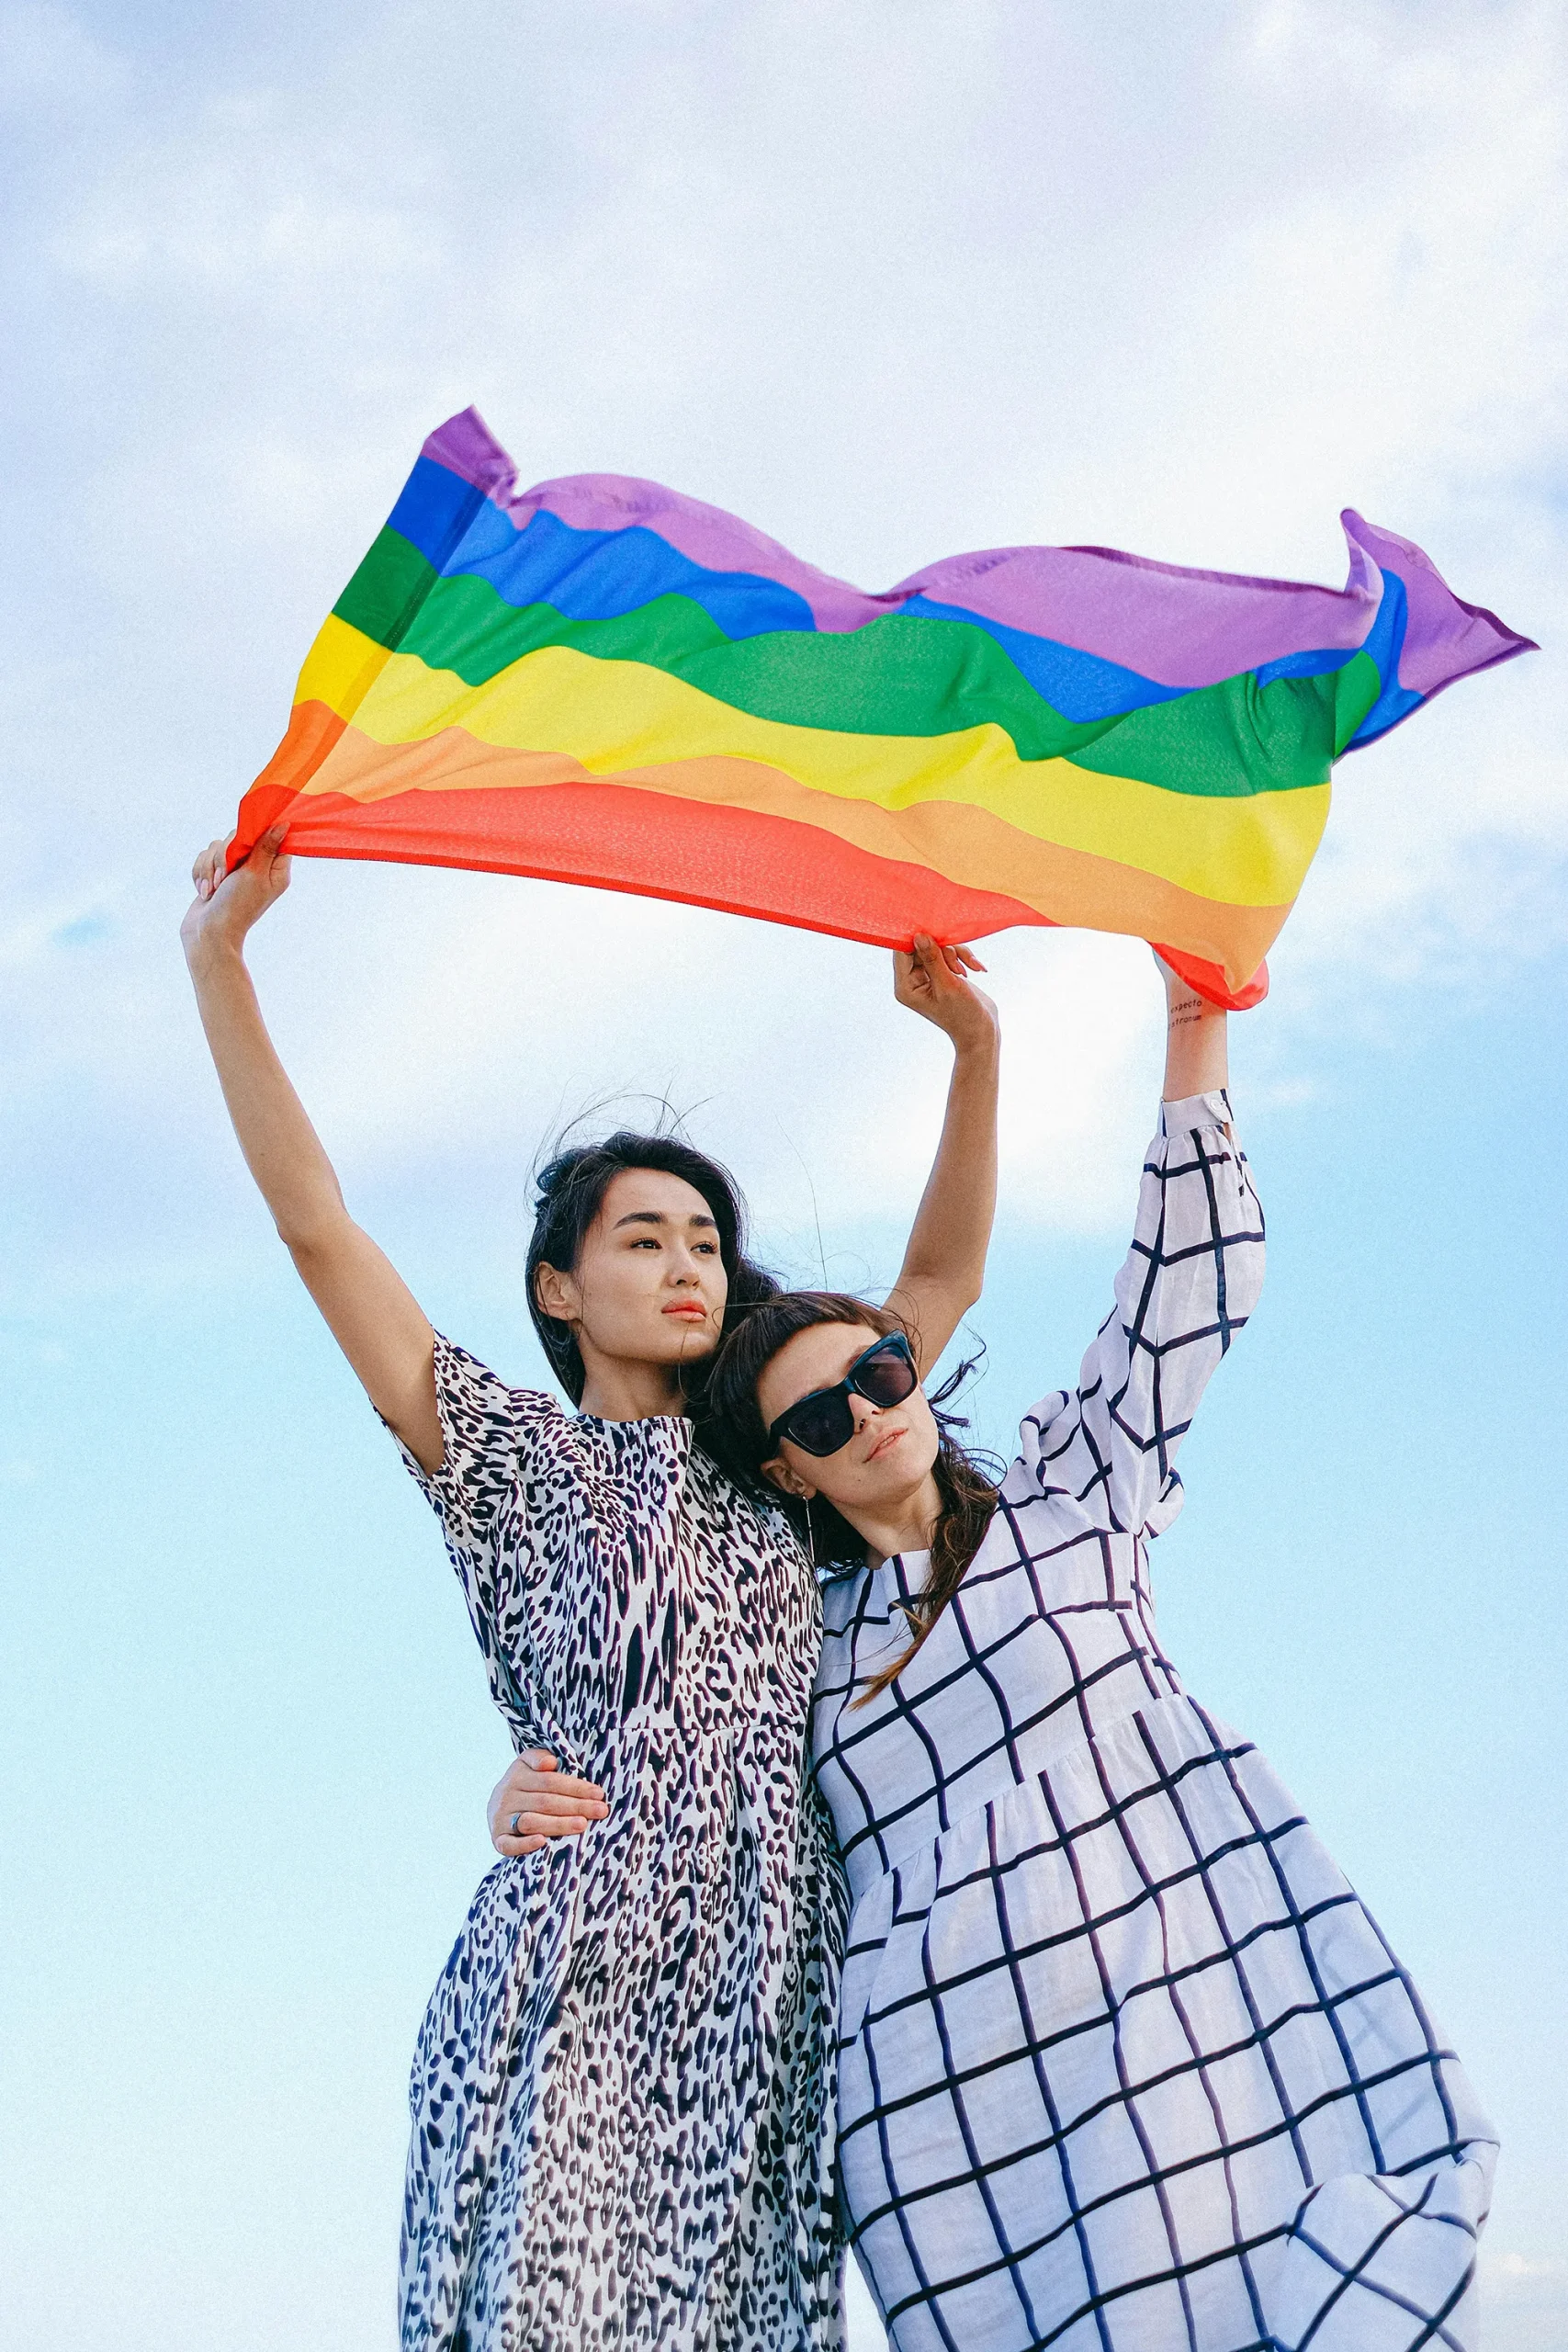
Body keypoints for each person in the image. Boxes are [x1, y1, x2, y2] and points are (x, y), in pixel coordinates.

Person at [492, 960, 1496, 2352]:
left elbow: (1186, 1284)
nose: (868, 1415)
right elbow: (674, 1753)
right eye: (827, 1421)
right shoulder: (800, 1636)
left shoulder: (1070, 1501)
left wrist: (1189, 1021)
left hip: (1162, 2020)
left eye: (879, 1378)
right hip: (949, 2108)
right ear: (787, 1472)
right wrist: (524, 1791)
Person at [181, 823, 1001, 2352]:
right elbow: (319, 1230)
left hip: (774, 1981)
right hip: (581, 1959)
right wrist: (219, 962)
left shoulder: (786, 1444)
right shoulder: (511, 1463)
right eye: (642, 1238)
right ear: (559, 1287)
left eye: (705, 1237)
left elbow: (940, 1281)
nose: (688, 1263)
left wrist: (974, 1049)